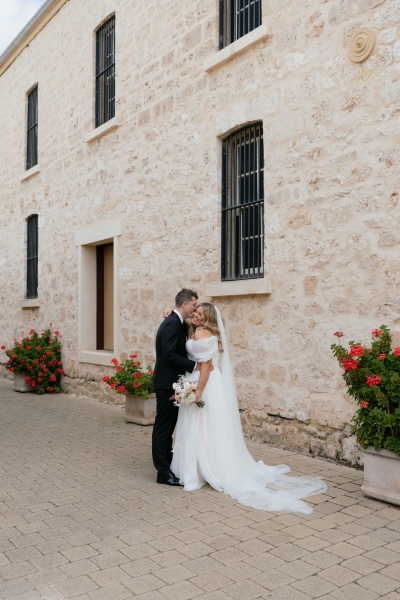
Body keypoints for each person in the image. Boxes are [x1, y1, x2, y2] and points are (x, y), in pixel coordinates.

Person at [170, 302, 327, 513]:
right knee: (211, 424)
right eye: (195, 312)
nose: (195, 316)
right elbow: (190, 324)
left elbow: (206, 365)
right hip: (209, 380)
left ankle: (202, 468)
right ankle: (207, 465)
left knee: (201, 423)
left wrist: (198, 391)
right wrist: (173, 313)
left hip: (204, 382)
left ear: (207, 318)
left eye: (200, 313)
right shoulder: (204, 331)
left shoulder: (200, 334)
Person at [152, 288, 212, 486]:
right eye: (194, 305)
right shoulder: (171, 323)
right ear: (185, 304)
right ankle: (163, 472)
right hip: (166, 384)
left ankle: (168, 464)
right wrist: (194, 366)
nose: (195, 309)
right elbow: (169, 354)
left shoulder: (177, 321)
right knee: (163, 428)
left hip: (172, 383)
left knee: (168, 426)